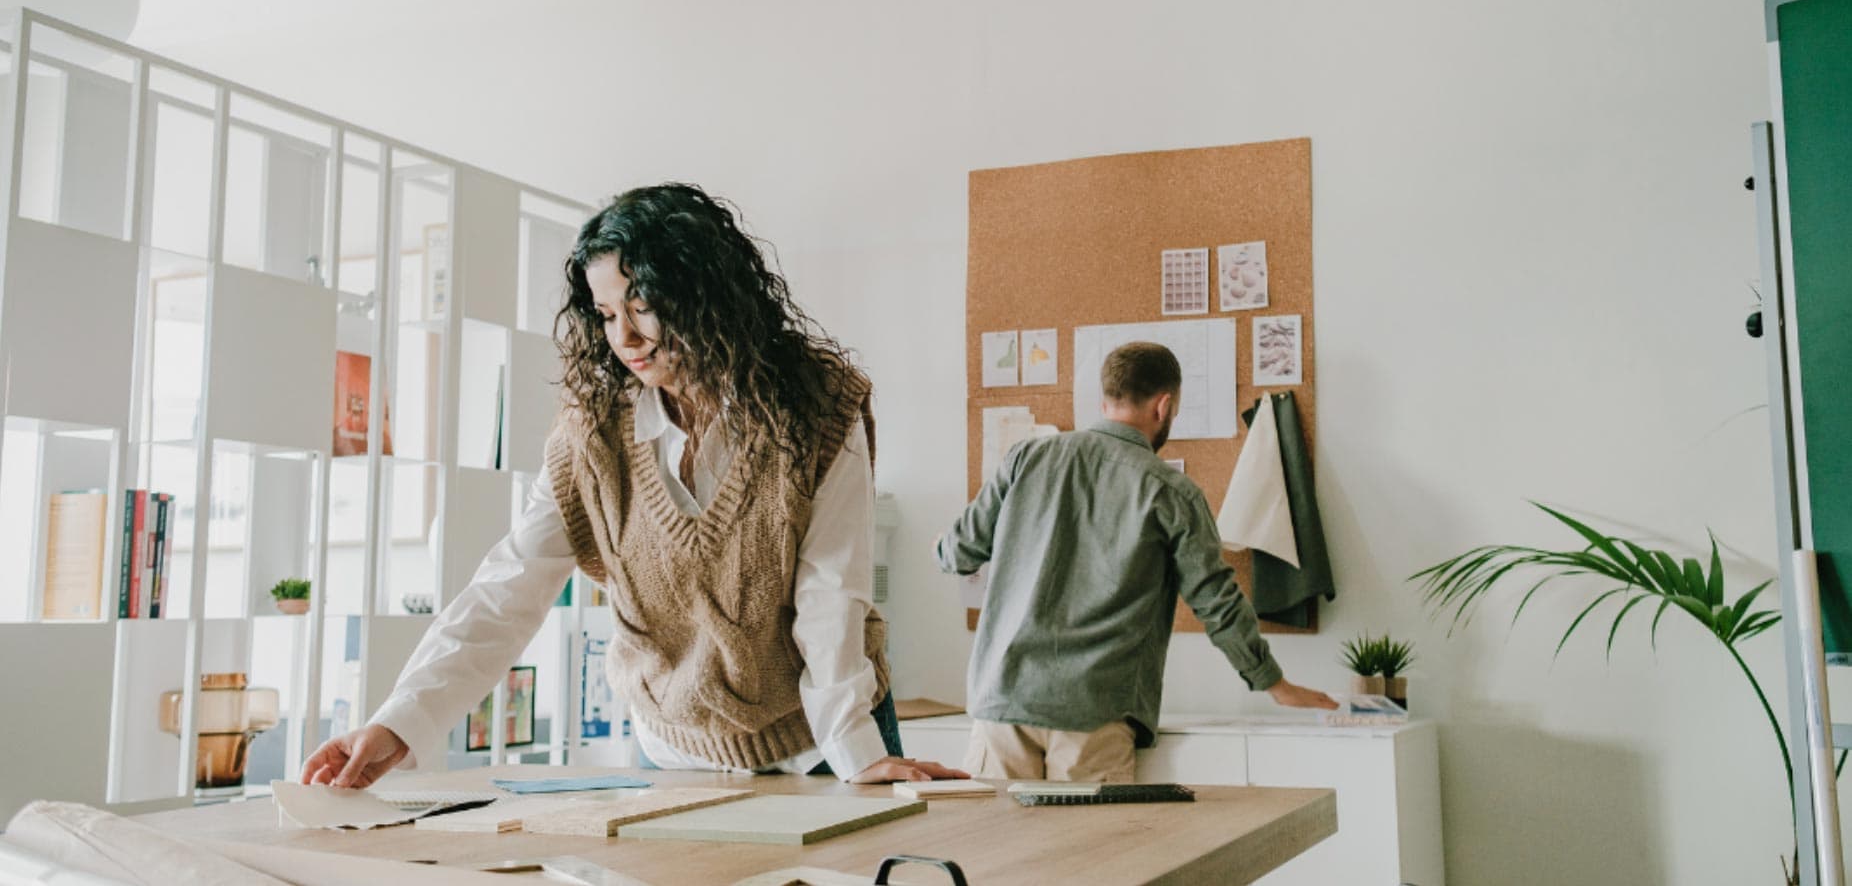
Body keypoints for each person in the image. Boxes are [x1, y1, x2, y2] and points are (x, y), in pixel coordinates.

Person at [303, 183, 964, 788]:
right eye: (606, 313)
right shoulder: (591, 437)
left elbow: (830, 591)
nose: (624, 337)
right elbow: (509, 588)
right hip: (672, 750)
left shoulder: (816, 406)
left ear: (707, 294)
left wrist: (855, 752)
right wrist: (399, 722)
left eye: (643, 307)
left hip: (821, 739)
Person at [935, 341, 1336, 783]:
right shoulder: (1171, 491)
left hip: (1003, 703)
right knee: (1091, 853)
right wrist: (1273, 683)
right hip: (1094, 711)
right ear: (1164, 406)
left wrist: (947, 543)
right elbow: (1216, 600)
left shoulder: (1026, 458)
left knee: (1000, 851)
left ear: (1105, 399)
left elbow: (957, 552)